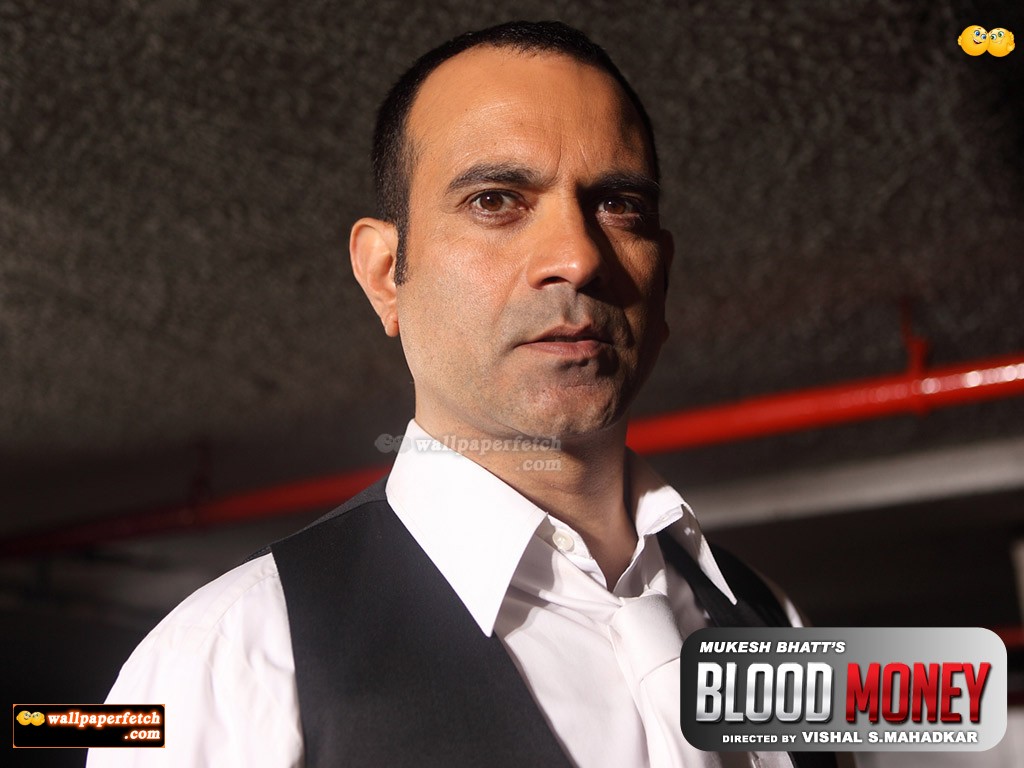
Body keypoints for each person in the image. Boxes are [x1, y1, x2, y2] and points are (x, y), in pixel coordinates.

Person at [89, 21, 832, 768]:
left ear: (662, 277)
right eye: (495, 200)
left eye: (618, 205)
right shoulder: (225, 662)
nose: (577, 256)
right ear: (385, 275)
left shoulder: (778, 624)